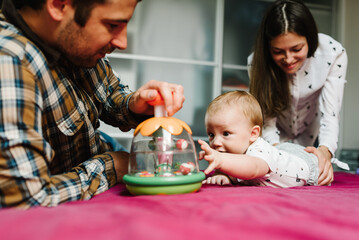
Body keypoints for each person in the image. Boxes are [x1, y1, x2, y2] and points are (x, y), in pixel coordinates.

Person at [0, 0, 185, 208]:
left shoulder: (70, 40)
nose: (123, 43)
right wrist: (114, 167)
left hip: (99, 152)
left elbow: (109, 93)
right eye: (113, 25)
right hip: (90, 173)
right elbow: (27, 198)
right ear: (59, 6)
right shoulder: (9, 61)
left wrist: (135, 104)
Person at [247, 0, 348, 186]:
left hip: (312, 130)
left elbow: (331, 114)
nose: (288, 59)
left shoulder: (333, 53)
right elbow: (266, 121)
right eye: (278, 51)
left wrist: (325, 151)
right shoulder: (256, 62)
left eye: (296, 49)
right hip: (274, 135)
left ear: (310, 38)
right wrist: (277, 154)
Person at [199, 90, 320, 187]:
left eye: (225, 133)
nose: (215, 142)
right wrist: (224, 175)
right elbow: (235, 168)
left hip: (301, 161)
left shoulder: (257, 152)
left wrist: (220, 159)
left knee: (319, 166)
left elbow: (253, 169)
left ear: (253, 134)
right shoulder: (235, 152)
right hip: (280, 150)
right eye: (211, 135)